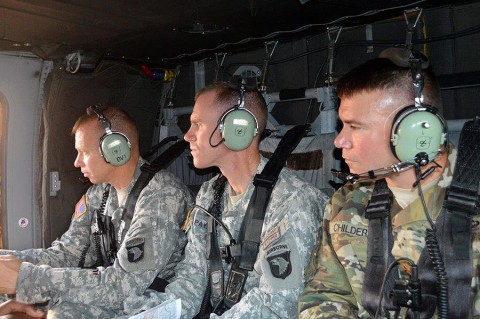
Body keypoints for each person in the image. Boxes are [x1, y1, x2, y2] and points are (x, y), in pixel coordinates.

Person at [120, 82, 328, 318]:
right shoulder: (210, 193)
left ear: (237, 128)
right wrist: (153, 312)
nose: (187, 135)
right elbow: (193, 277)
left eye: (197, 124)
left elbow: (277, 306)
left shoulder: (292, 201)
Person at [299, 51, 480, 318]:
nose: (339, 142)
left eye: (354, 127)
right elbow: (324, 296)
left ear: (418, 131)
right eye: (341, 125)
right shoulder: (347, 202)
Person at [0, 105, 194, 318]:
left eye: (84, 152)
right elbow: (68, 253)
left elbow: (123, 286)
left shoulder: (162, 196)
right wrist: (8, 261)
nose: (76, 162)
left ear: (115, 149)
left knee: (62, 313)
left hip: (151, 301)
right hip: (118, 292)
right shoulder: (99, 194)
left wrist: (27, 279)